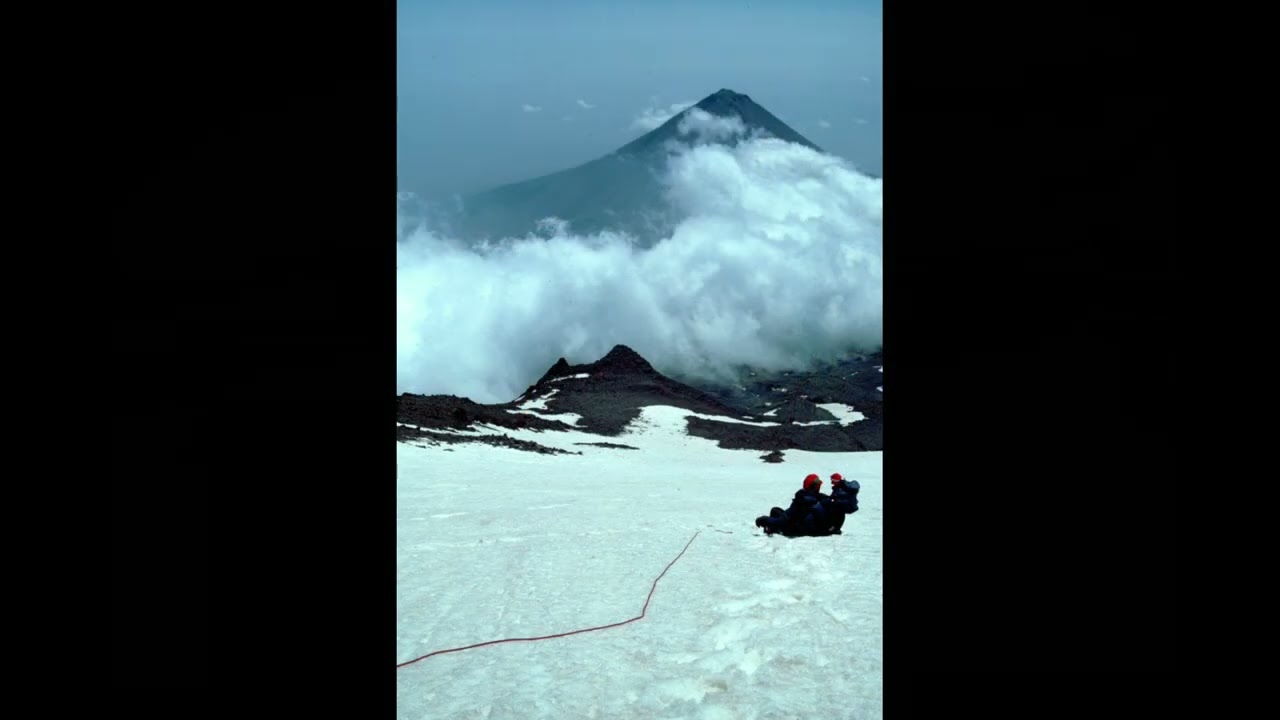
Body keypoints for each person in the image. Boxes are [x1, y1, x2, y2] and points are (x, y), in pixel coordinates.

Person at [756, 473, 831, 536]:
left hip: (795, 530)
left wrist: (764, 520)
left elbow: (783, 520)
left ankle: (770, 530)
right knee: (777, 511)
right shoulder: (821, 498)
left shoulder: (801, 500)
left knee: (774, 510)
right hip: (813, 528)